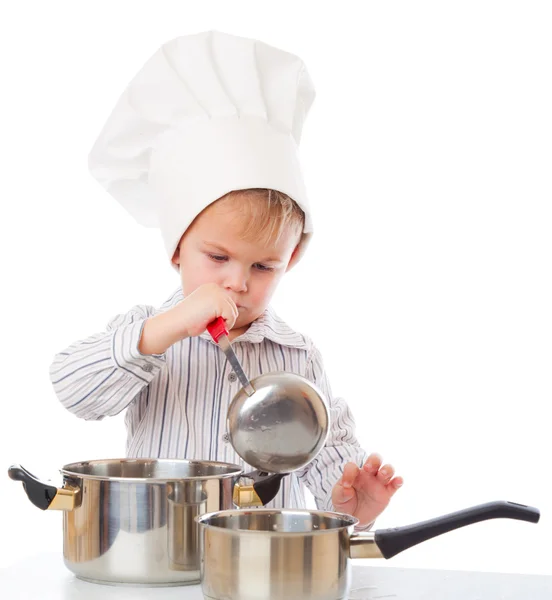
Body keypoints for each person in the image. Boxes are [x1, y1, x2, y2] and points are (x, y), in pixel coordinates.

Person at [49, 30, 403, 529]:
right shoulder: (148, 331)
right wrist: (164, 331)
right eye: (217, 257)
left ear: (292, 259)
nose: (238, 282)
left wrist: (349, 503)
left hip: (259, 566)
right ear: (176, 248)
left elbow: (322, 461)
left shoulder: (297, 358)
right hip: (160, 554)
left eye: (263, 266)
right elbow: (72, 389)